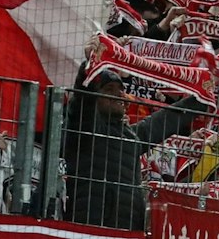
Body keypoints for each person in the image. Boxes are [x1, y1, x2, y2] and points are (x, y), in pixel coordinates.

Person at [62, 75, 201, 231]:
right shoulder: (84, 129)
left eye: (121, 90)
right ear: (94, 96)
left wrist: (202, 99)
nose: (119, 94)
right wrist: (88, 68)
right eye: (109, 89)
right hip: (90, 227)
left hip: (130, 227)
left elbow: (167, 119)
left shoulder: (131, 135)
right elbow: (82, 100)